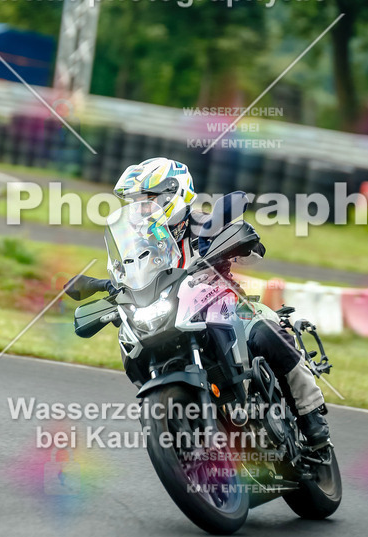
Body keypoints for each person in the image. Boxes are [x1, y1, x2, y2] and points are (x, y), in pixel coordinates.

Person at [66, 157, 331, 448]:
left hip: (225, 306)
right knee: (133, 350)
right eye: (137, 201)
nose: (142, 207)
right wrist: (107, 286)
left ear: (175, 193)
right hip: (170, 315)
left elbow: (254, 252)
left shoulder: (204, 223)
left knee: (266, 332)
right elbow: (128, 277)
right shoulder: (140, 243)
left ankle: (312, 418)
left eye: (149, 199)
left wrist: (240, 241)